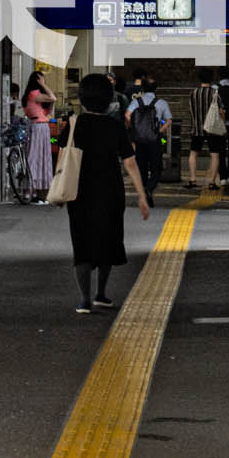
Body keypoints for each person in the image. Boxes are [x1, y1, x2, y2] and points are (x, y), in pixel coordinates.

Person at [63, 72, 150, 313]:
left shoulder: (74, 124)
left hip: (79, 192)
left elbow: (62, 157)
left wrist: (59, 190)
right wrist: (142, 195)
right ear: (109, 99)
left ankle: (84, 299)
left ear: (81, 99)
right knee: (108, 239)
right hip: (110, 191)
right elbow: (129, 162)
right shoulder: (115, 126)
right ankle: (101, 293)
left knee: (81, 241)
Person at [123, 74, 170, 195]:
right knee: (156, 166)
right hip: (155, 138)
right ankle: (149, 188)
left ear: (142, 89)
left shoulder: (136, 101)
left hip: (139, 138)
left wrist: (135, 128)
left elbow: (127, 115)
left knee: (142, 165)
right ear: (156, 88)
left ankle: (144, 188)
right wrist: (160, 129)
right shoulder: (162, 103)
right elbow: (168, 120)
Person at [23, 71, 55, 202]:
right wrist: (44, 85)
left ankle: (34, 191)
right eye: (42, 79)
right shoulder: (34, 94)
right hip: (38, 128)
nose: (44, 81)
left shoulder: (32, 96)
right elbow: (53, 97)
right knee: (36, 157)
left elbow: (50, 114)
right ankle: (30, 190)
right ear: (37, 81)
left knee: (37, 158)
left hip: (39, 126)